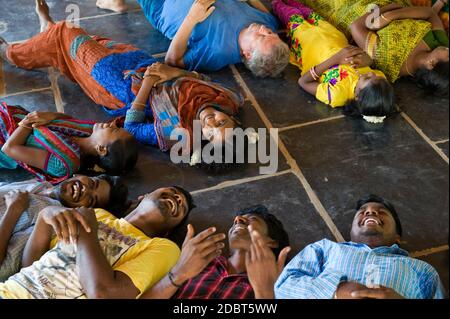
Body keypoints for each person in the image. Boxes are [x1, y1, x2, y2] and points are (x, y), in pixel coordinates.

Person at [0, 1, 251, 171]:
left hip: (118, 84)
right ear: (233, 121)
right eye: (222, 123)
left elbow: (131, 126)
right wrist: (170, 71)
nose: (211, 122)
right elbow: (199, 79)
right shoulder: (228, 99)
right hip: (140, 62)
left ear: (201, 140)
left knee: (68, 34)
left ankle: (12, 53)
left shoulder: (175, 134)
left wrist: (150, 83)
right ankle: (47, 33)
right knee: (85, 42)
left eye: (209, 133)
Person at [0, 186, 194, 299]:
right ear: (143, 197)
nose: (177, 198)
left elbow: (102, 294)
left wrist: (88, 231)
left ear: (169, 230)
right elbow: (31, 265)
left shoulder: (163, 248)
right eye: (172, 191)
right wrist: (44, 217)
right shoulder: (99, 214)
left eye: (181, 206)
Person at [275, 194, 446, 299]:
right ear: (351, 231)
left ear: (397, 237)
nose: (371, 211)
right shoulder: (325, 249)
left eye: (381, 211)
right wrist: (335, 292)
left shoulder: (422, 270)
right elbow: (283, 287)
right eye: (363, 211)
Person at [272, 0, 395, 123]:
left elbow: (303, 82)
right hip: (331, 35)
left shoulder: (336, 94)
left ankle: (275, 3)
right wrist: (367, 60)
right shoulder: (378, 80)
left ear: (358, 97)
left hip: (309, 45)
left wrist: (335, 59)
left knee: (290, 14)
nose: (372, 73)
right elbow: (371, 62)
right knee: (305, 11)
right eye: (375, 75)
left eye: (368, 78)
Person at [293, 0, 449, 94]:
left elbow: (357, 26)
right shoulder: (442, 45)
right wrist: (392, 14)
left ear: (431, 65)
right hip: (392, 6)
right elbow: (430, 14)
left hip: (359, 9)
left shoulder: (389, 60)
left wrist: (384, 13)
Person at [140, 205, 290, 299]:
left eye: (252, 219)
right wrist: (178, 272)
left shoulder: (277, 285)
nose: (237, 219)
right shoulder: (197, 261)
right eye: (235, 220)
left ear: (272, 242)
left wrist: (265, 293)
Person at [0, 174, 129, 281]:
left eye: (91, 200)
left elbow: (5, 269)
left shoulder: (54, 221)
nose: (85, 190)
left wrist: (13, 210)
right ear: (79, 175)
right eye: (91, 183)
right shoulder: (42, 185)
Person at [136, 0, 290, 77]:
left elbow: (172, 61)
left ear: (248, 54)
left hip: (161, 5)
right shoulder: (268, 23)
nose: (264, 30)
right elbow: (267, 14)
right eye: (271, 33)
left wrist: (192, 17)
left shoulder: (217, 53)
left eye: (262, 37)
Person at [0, 105, 138, 183]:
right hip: (13, 120)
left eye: (114, 130)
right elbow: (65, 119)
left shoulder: (64, 164)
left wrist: (29, 121)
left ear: (101, 149)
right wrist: (51, 116)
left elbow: (10, 148)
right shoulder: (85, 131)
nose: (111, 124)